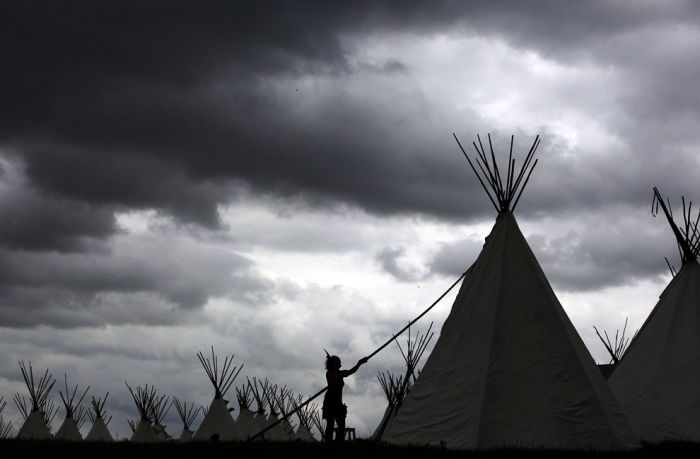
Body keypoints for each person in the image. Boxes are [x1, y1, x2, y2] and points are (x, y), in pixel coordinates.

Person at [322, 353, 368, 442]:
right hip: (330, 403)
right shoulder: (329, 373)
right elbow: (331, 382)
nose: (340, 362)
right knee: (330, 425)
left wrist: (359, 363)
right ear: (334, 364)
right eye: (338, 361)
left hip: (338, 403)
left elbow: (351, 371)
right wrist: (340, 375)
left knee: (341, 426)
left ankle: (339, 444)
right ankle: (328, 446)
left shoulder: (341, 373)